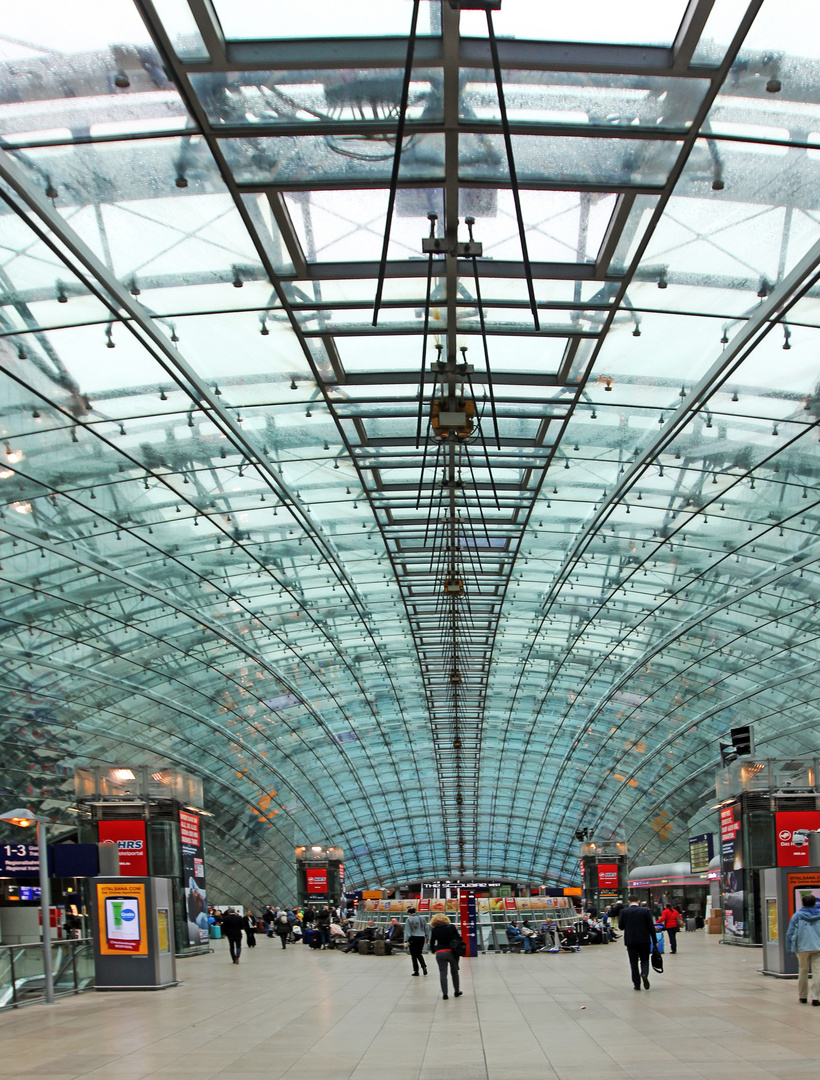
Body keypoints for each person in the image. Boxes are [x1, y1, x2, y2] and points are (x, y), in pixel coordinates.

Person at [786, 894, 820, 1004]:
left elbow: (790, 933)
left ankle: (803, 996)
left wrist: (789, 949)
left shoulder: (797, 916)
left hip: (802, 948)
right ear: (815, 903)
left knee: (803, 971)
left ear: (803, 903)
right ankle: (816, 998)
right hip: (818, 947)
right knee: (817, 972)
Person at [618, 896, 658, 990]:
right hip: (644, 940)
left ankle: (636, 984)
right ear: (638, 901)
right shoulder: (645, 911)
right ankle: (644, 973)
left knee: (633, 962)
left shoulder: (624, 912)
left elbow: (620, 926)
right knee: (644, 960)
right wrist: (655, 941)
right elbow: (651, 927)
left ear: (628, 901)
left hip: (631, 941)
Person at [429, 913, 463, 1000]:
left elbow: (432, 942)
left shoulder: (434, 930)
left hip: (440, 952)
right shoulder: (451, 927)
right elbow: (458, 938)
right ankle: (457, 991)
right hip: (451, 952)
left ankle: (445, 994)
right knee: (454, 972)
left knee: (443, 973)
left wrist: (433, 951)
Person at [404, 907, 429, 976]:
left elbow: (408, 931)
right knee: (419, 953)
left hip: (413, 938)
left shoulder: (409, 919)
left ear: (409, 913)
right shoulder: (422, 918)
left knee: (413, 955)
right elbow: (426, 928)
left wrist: (406, 940)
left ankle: (416, 971)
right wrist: (427, 937)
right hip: (422, 937)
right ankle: (424, 966)